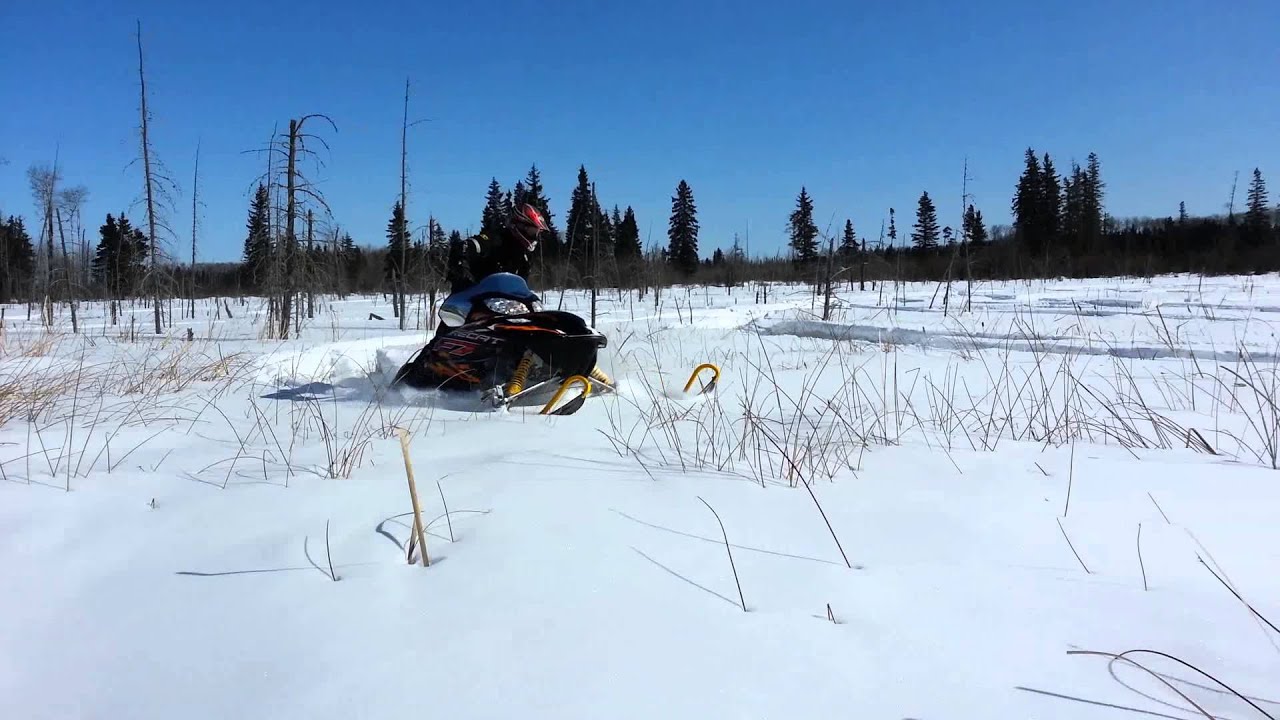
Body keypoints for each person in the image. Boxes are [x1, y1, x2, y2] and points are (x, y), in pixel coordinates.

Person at [436, 203, 549, 335]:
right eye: (532, 231)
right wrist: (462, 273)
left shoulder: (524, 257)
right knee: (447, 336)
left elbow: (521, 286)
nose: (535, 236)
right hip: (472, 301)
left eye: (536, 232)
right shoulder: (495, 239)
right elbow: (464, 247)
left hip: (503, 308)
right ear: (519, 225)